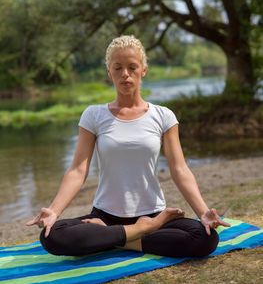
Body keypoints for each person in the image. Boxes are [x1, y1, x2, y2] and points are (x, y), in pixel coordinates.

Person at [27, 35, 230, 258]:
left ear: (143, 70)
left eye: (132, 67)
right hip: (105, 216)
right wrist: (53, 211)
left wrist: (203, 212)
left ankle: (115, 239)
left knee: (206, 238)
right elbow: (77, 170)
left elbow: (179, 169)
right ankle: (140, 232)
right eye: (118, 68)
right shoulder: (93, 115)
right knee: (51, 235)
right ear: (109, 72)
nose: (125, 74)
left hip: (154, 214)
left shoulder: (163, 116)